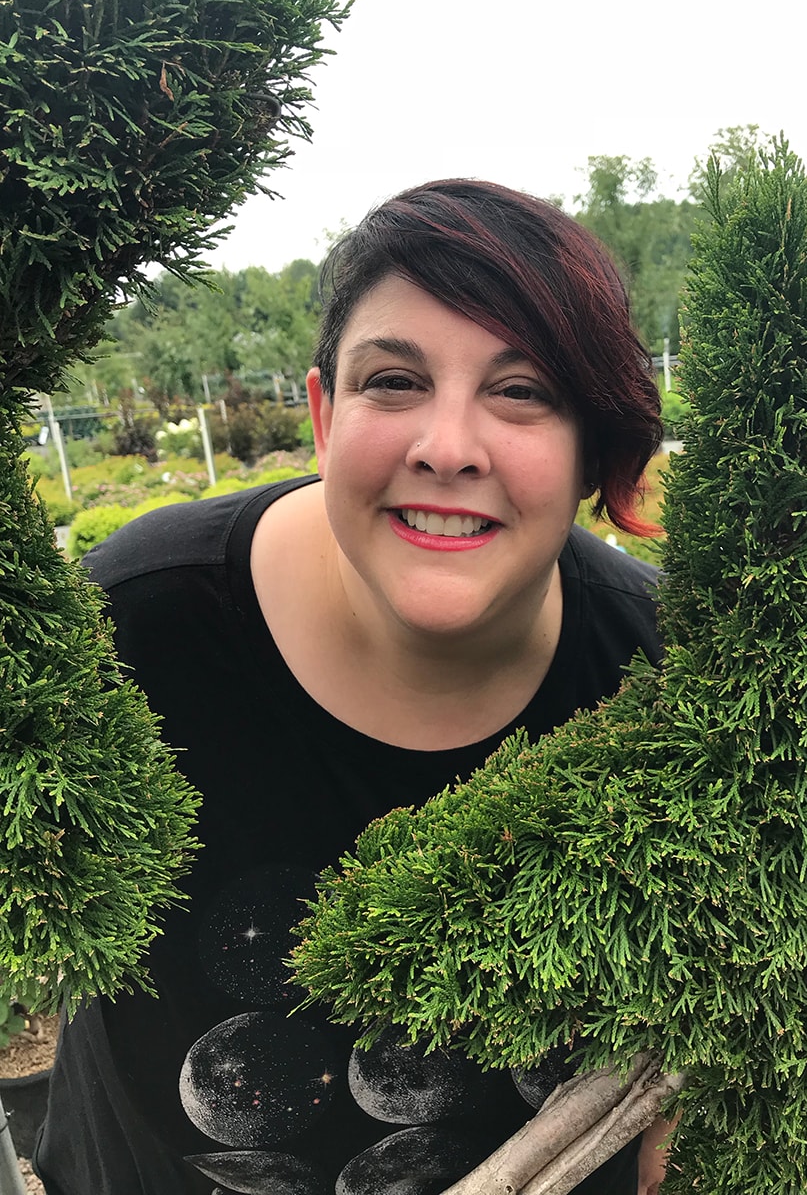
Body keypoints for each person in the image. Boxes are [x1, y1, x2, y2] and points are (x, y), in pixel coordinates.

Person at [36, 179, 670, 1195]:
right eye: (393, 381)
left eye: (520, 392)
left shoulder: (669, 685)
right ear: (325, 414)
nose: (446, 446)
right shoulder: (133, 629)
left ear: (591, 446)